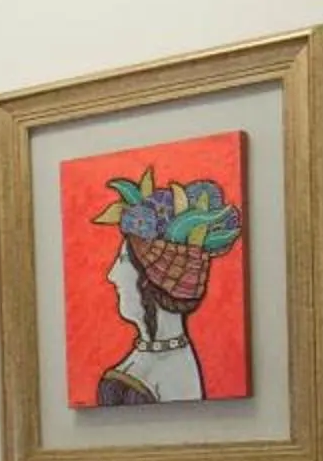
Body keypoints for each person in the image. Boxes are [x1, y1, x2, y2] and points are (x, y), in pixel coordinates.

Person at [89, 168, 241, 406]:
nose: (112, 275)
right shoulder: (157, 355)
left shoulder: (173, 370)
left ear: (153, 280)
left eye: (123, 261)